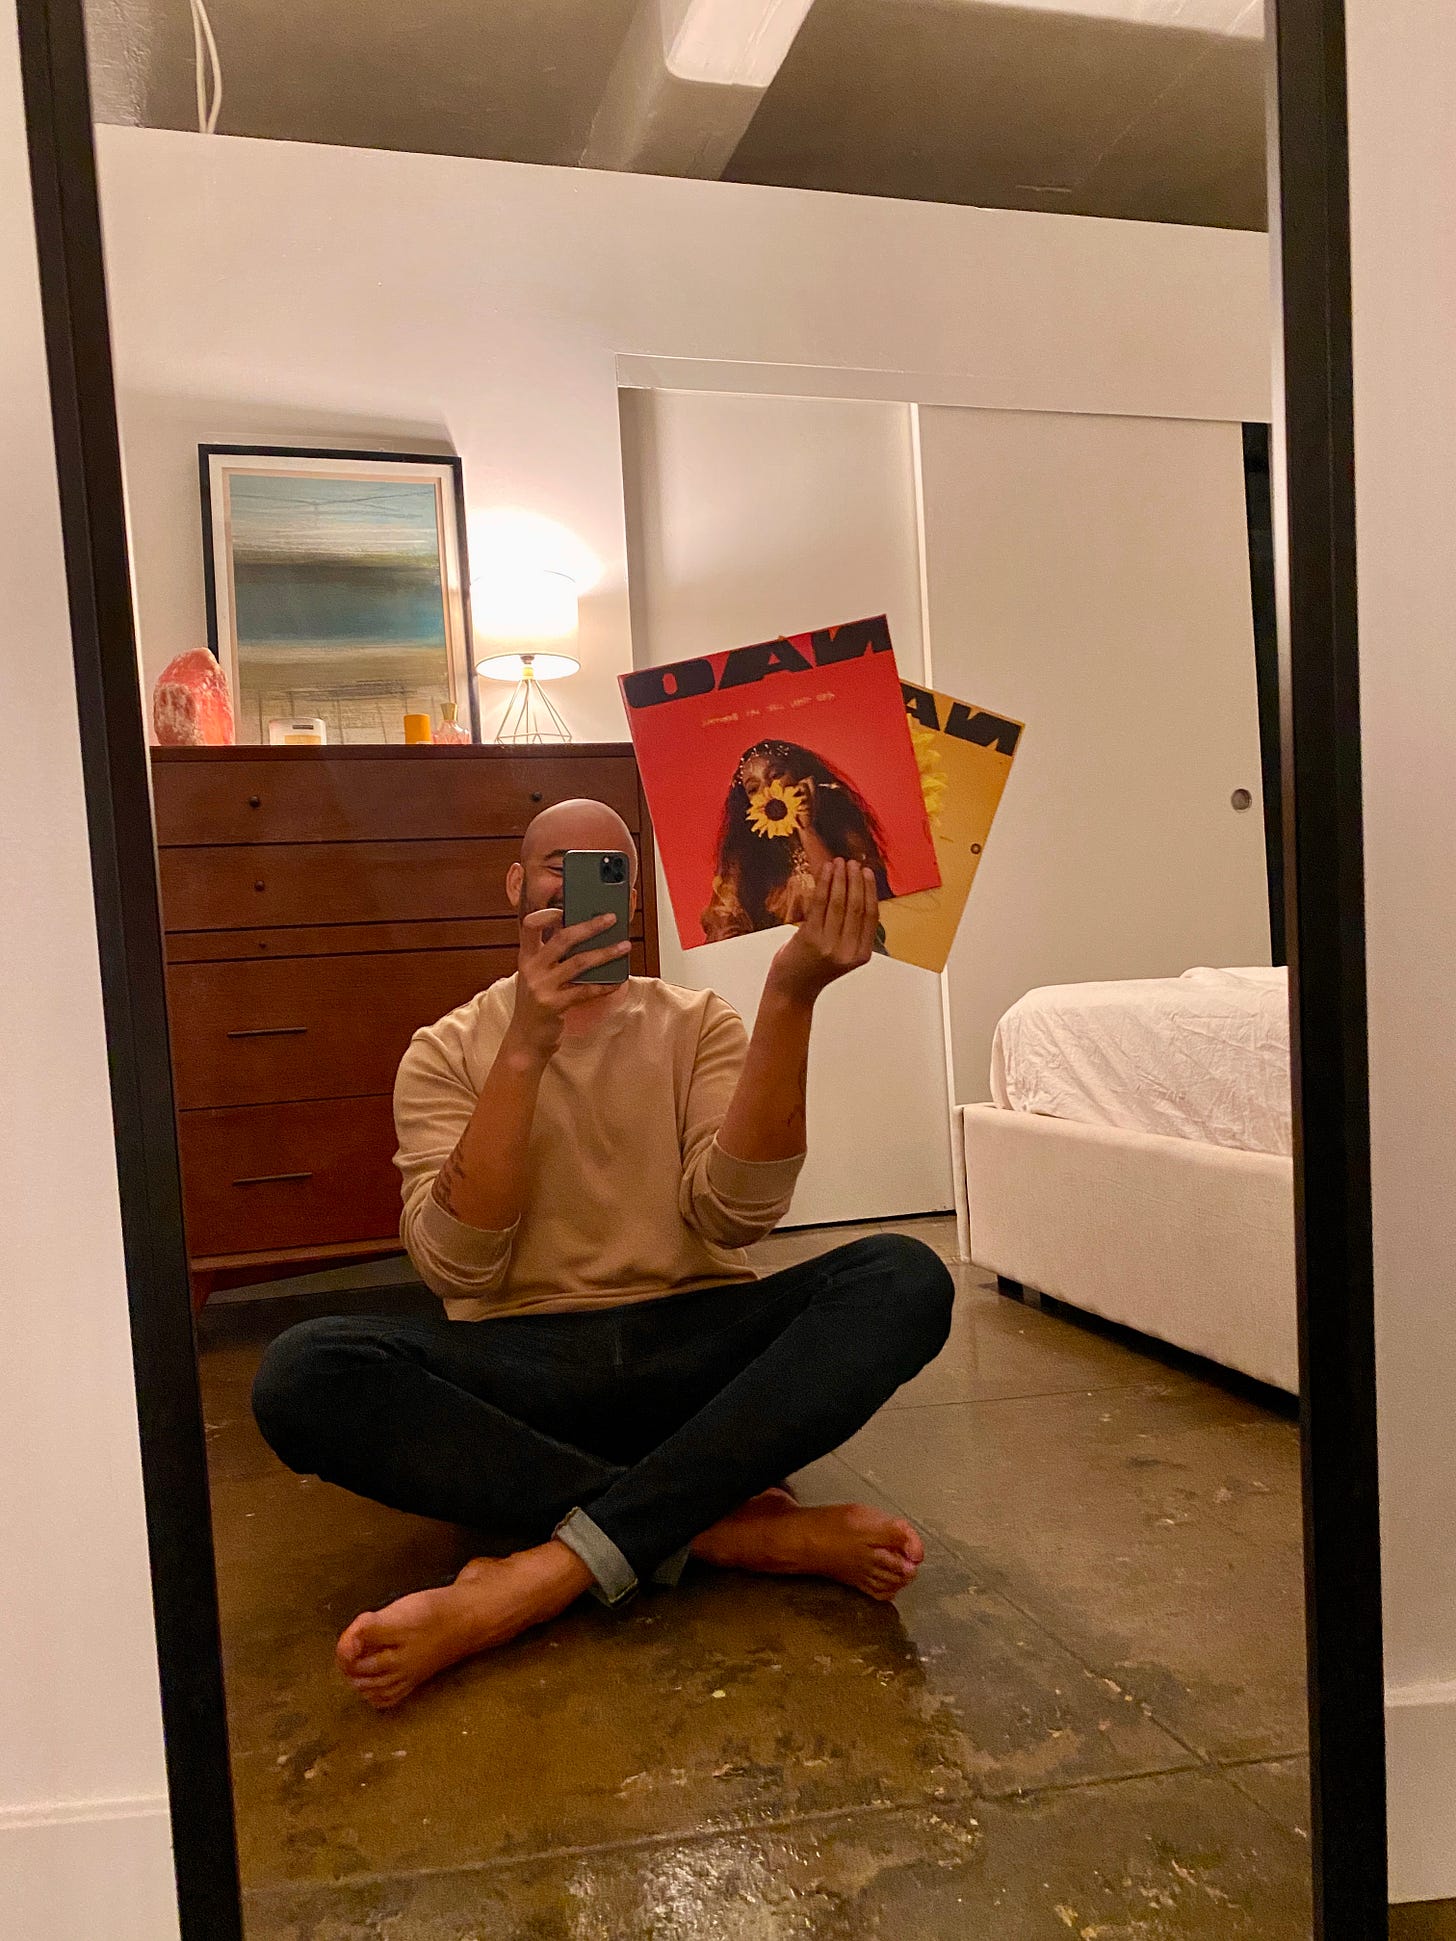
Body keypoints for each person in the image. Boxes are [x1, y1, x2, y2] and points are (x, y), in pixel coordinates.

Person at [252, 798, 954, 1710]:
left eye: (607, 871)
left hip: (691, 1345)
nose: (578, 886)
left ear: (628, 904)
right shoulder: (445, 1050)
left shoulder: (698, 1022)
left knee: (905, 1276)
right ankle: (730, 1530)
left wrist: (792, 995)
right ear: (517, 884)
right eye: (557, 866)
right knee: (302, 1373)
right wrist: (527, 1045)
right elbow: (457, 1268)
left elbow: (735, 1215)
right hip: (524, 1365)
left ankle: (534, 1574)